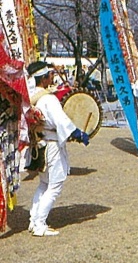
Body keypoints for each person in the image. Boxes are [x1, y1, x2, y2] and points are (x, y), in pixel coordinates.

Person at [26, 61, 89, 237]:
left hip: (39, 143)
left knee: (44, 183)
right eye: (49, 76)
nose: (52, 78)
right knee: (54, 185)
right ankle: (39, 224)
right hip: (51, 145)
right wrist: (78, 133)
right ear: (44, 79)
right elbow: (61, 121)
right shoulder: (47, 99)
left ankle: (33, 220)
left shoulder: (32, 96)